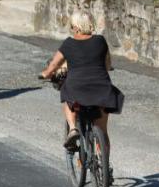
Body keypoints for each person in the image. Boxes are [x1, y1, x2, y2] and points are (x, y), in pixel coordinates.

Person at [40, 12, 123, 152]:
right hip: (102, 91)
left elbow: (53, 66)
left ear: (76, 28)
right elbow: (108, 65)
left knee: (66, 96)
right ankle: (104, 167)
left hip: (77, 89)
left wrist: (45, 74)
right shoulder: (100, 41)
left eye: (72, 26)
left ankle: (72, 129)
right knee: (103, 131)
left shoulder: (68, 44)